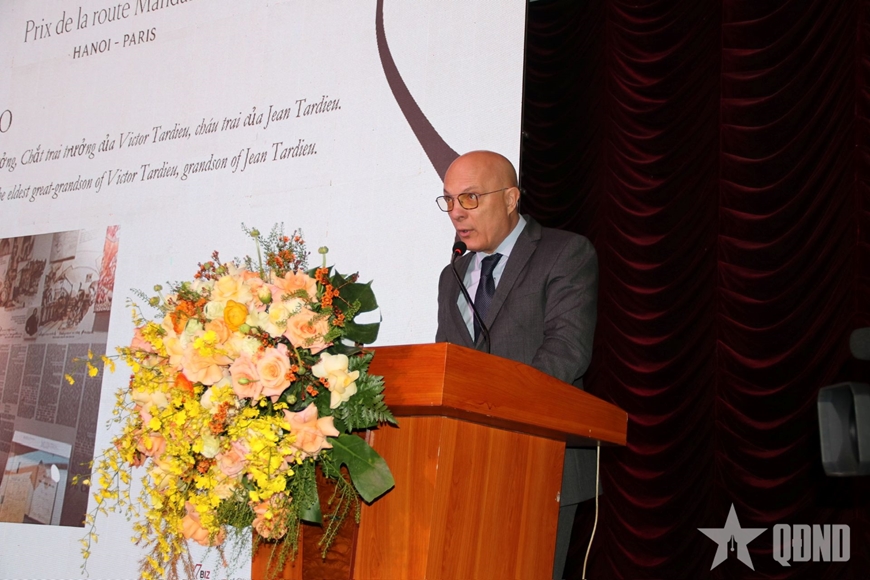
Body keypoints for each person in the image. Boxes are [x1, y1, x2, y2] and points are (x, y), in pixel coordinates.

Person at [435, 150, 599, 580]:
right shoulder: (452, 275)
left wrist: (499, 408)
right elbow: (447, 364)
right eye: (449, 199)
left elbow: (566, 350)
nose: (456, 212)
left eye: (469, 198)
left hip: (539, 459)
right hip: (465, 467)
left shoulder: (564, 253)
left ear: (510, 199)